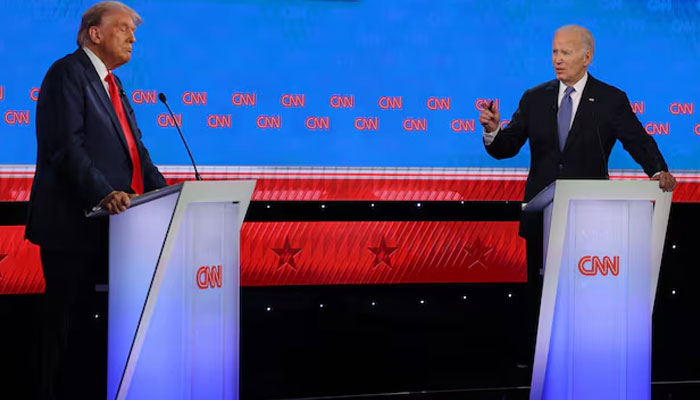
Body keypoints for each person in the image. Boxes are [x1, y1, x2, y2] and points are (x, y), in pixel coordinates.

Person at [478, 24, 677, 369]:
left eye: (565, 53)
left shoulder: (611, 99)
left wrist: (657, 170)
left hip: (590, 218)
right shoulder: (534, 97)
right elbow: (507, 148)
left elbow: (637, 140)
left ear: (587, 57)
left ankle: (585, 358)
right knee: (540, 292)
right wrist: (493, 129)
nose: (557, 59)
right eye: (554, 52)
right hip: (543, 215)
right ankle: (540, 359)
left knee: (585, 292)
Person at [25, 2, 167, 398]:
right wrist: (104, 192)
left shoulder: (113, 85)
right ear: (95, 34)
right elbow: (65, 147)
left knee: (95, 333)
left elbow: (136, 152)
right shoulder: (67, 73)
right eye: (123, 29)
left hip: (111, 230)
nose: (132, 37)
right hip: (71, 229)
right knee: (63, 330)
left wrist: (171, 195)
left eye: (133, 31)